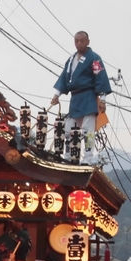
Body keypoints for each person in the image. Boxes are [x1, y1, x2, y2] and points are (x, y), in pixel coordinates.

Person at [50, 31, 111, 163]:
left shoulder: (94, 58)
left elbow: (101, 78)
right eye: (76, 41)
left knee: (88, 130)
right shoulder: (71, 59)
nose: (79, 43)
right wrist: (57, 94)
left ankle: (87, 158)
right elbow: (64, 78)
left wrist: (103, 100)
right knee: (69, 129)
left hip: (88, 96)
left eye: (82, 41)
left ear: (88, 41)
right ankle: (68, 156)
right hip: (75, 97)